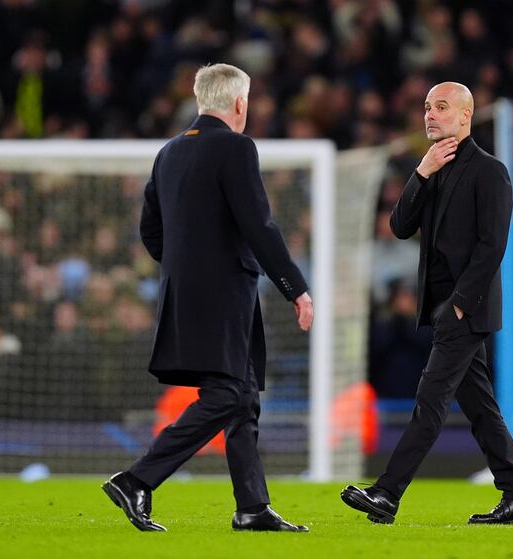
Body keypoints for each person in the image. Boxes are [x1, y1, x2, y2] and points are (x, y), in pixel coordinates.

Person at [102, 63, 313, 533]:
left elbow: (150, 231)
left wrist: (186, 267)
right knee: (226, 394)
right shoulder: (236, 147)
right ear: (240, 104)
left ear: (201, 100)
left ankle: (252, 507)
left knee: (243, 396)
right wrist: (295, 287)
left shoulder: (169, 153)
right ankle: (137, 478)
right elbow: (260, 226)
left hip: (185, 293)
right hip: (225, 295)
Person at [340, 82, 513, 525]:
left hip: (464, 308)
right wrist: (421, 173)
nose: (431, 114)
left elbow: (493, 245)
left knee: (430, 402)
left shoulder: (489, 171)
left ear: (465, 116)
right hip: (442, 307)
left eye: (442, 107)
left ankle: (387, 494)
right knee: (481, 409)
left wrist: (461, 303)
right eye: (427, 107)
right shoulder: (432, 167)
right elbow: (398, 225)